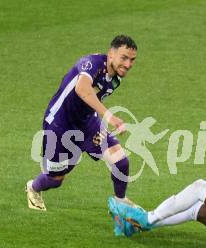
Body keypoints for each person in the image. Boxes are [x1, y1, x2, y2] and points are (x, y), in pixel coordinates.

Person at [26, 35, 138, 211]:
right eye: (124, 58)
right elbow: (82, 89)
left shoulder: (116, 78)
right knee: (56, 179)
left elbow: (91, 98)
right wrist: (109, 117)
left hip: (87, 123)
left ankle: (120, 202)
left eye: (132, 60)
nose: (128, 64)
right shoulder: (91, 63)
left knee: (120, 160)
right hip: (59, 125)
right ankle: (33, 188)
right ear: (111, 54)